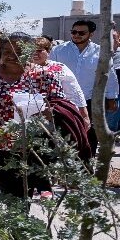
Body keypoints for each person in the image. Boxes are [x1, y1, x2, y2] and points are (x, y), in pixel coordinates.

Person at [0, 34, 65, 207]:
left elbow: (60, 109)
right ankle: (18, 232)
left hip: (34, 148)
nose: (12, 55)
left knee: (22, 198)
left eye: (19, 51)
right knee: (11, 196)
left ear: (30, 52)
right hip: (0, 147)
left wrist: (44, 112)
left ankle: (20, 232)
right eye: (7, 51)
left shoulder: (44, 76)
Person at [49, 19, 119, 152]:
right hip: (64, 101)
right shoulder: (58, 51)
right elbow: (50, 73)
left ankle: (88, 165)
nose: (76, 35)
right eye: (74, 32)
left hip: (92, 100)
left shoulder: (100, 52)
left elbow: (109, 75)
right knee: (65, 134)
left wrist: (112, 98)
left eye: (81, 33)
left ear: (91, 34)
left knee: (90, 135)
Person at [30, 36, 88, 123]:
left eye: (39, 50)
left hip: (56, 113)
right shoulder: (22, 69)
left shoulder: (59, 68)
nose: (35, 54)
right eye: (32, 50)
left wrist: (84, 116)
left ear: (48, 51)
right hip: (30, 114)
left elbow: (74, 91)